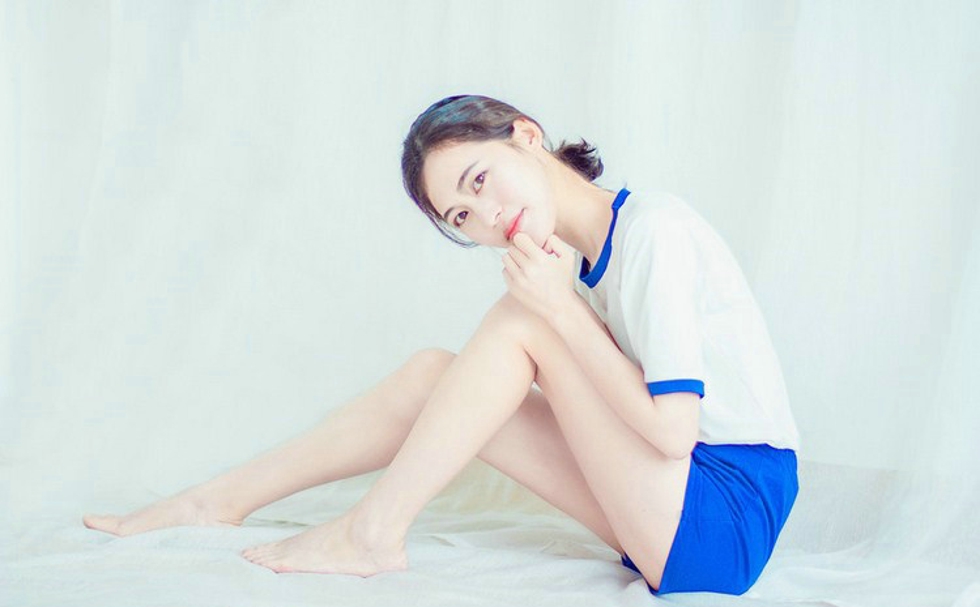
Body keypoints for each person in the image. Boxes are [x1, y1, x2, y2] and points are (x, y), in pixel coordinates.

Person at [83, 94, 800, 595]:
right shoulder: (580, 265)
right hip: (671, 505)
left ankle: (373, 532)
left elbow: (672, 432)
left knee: (524, 319)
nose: (488, 217)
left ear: (527, 135)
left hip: (726, 514)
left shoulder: (652, 232)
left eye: (479, 180)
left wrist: (555, 308)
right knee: (435, 373)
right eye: (463, 216)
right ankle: (214, 501)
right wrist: (558, 305)